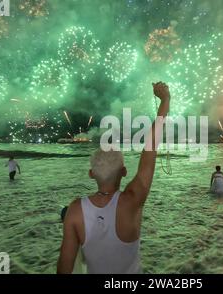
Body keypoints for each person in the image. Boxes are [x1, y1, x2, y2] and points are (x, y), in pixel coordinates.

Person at [57, 82, 170, 274]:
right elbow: (149, 149)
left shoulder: (75, 210)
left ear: (91, 174)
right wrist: (165, 100)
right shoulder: (132, 200)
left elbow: (63, 269)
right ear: (124, 172)